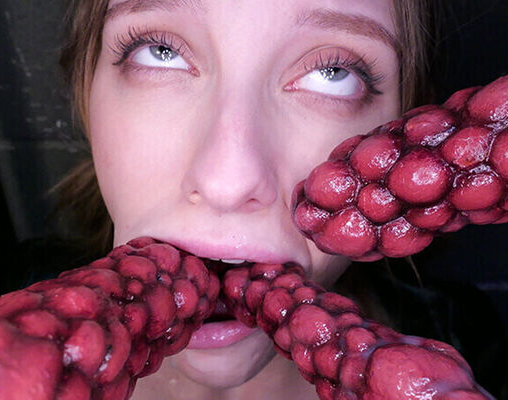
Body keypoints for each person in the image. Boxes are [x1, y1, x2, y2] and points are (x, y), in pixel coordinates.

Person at [52, 0, 438, 398]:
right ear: (86, 90)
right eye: (161, 52)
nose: (227, 183)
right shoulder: (9, 287)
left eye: (332, 74)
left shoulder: (463, 337)